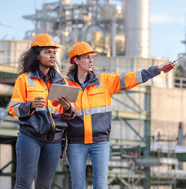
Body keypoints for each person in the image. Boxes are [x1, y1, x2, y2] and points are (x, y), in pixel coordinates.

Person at [65, 41, 174, 189]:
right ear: (76, 60)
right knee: (77, 185)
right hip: (76, 142)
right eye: (86, 57)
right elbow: (59, 114)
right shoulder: (65, 85)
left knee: (101, 185)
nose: (91, 61)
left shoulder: (104, 81)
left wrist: (157, 70)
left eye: (92, 57)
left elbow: (132, 78)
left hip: (100, 143)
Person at [9, 33, 75, 189]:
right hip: (30, 137)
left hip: (54, 140)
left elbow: (68, 115)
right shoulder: (24, 79)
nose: (52, 56)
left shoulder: (62, 82)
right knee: (23, 185)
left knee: (44, 186)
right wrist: (30, 105)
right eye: (47, 52)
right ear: (36, 56)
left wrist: (67, 108)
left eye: (54, 53)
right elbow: (13, 109)